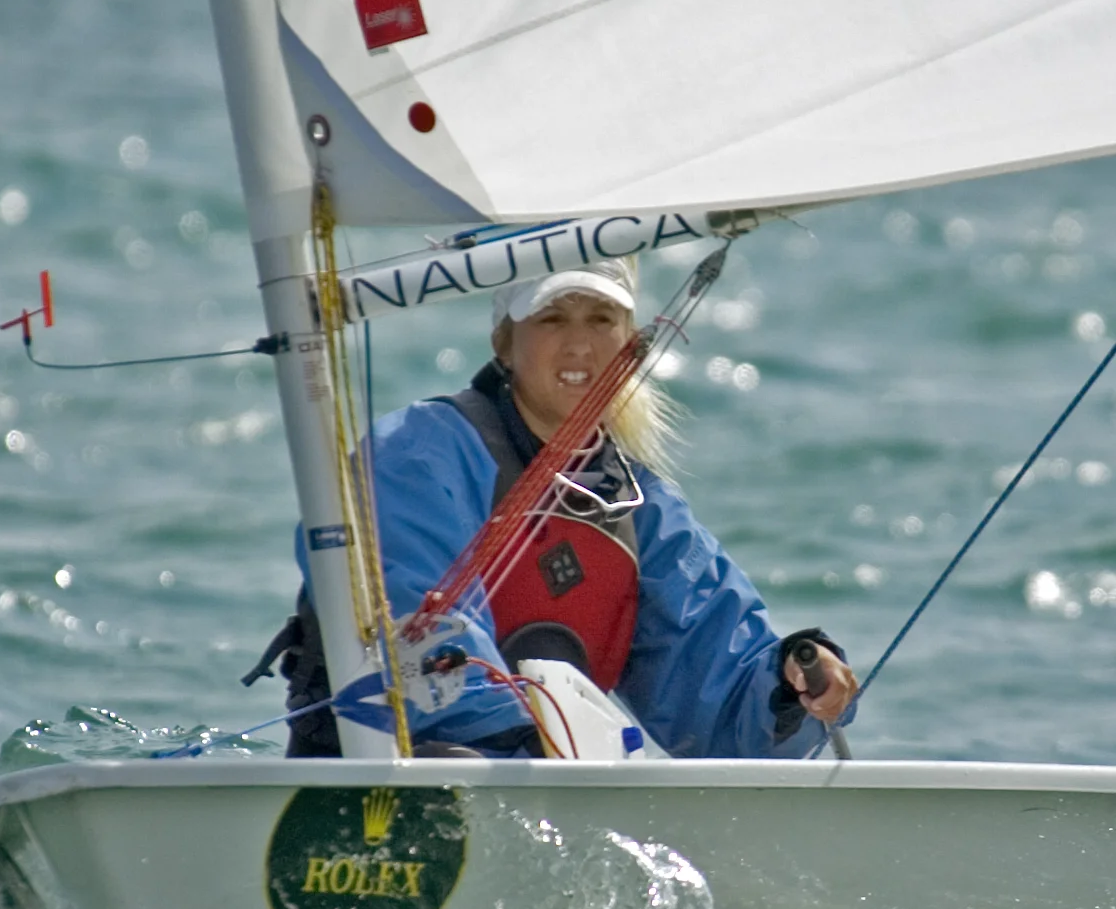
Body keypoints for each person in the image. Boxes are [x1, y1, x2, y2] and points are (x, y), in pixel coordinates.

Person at [247, 259, 858, 758]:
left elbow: (722, 706)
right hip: (391, 790)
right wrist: (541, 758)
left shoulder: (639, 506)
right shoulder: (418, 453)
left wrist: (790, 687)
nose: (579, 343)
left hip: (548, 799)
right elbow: (419, 644)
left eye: (602, 319)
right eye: (552, 318)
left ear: (631, 343)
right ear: (503, 342)